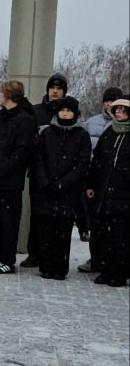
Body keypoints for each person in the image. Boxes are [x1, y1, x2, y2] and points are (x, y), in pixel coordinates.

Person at [0, 80, 37, 275]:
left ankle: (7, 260)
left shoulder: (25, 119)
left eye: (1, 91)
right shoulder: (0, 117)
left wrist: (4, 168)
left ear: (10, 94)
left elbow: (22, 151)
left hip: (11, 181)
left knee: (8, 222)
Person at [31, 97, 91, 280]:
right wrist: (45, 181)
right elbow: (38, 159)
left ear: (75, 113)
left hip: (68, 192)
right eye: (62, 110)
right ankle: (45, 266)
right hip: (46, 189)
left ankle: (60, 267)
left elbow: (82, 163)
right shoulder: (47, 133)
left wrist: (64, 183)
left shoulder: (81, 135)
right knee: (45, 229)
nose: (65, 113)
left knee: (63, 231)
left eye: (69, 110)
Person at [22, 72, 71, 267]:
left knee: (57, 217)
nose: (55, 91)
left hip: (61, 173)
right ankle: (34, 252)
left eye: (59, 89)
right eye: (53, 88)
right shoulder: (36, 111)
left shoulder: (69, 112)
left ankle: (52, 255)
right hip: (39, 171)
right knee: (38, 214)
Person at [86, 97, 129, 287]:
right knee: (104, 234)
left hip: (124, 193)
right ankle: (107, 269)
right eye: (116, 109)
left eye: (123, 109)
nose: (118, 112)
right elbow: (97, 161)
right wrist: (90, 184)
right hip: (104, 192)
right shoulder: (109, 132)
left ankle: (120, 272)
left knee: (122, 236)